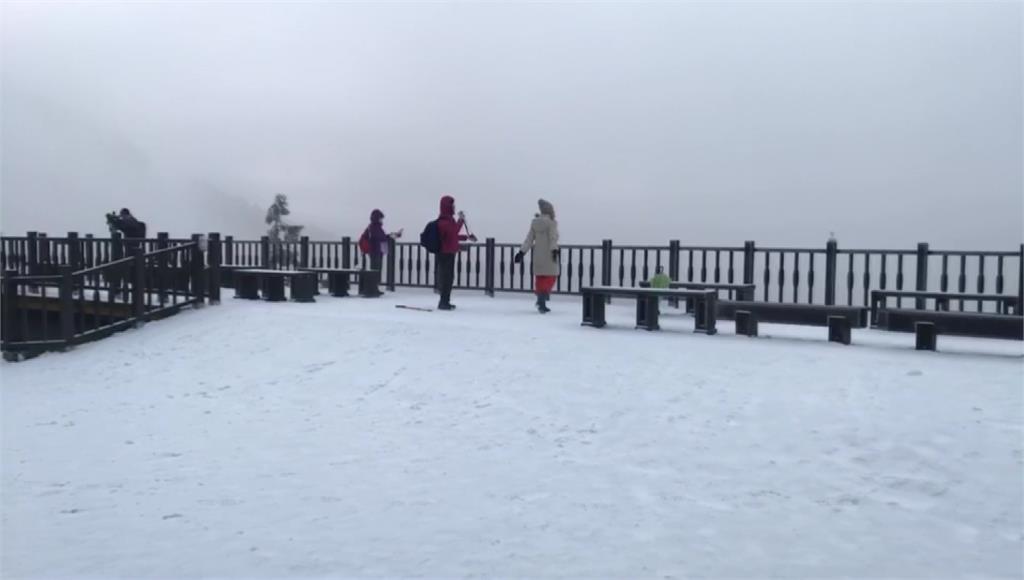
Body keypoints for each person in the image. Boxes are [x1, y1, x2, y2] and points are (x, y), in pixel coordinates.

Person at [515, 199, 560, 313]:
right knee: (551, 277)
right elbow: (552, 238)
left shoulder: (535, 223)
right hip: (549, 254)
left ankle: (541, 302)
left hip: (538, 255)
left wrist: (521, 252)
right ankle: (542, 300)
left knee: (540, 278)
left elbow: (529, 239)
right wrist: (554, 250)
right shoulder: (551, 223)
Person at [436, 195, 475, 310]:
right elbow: (452, 233)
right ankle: (443, 302)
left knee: (448, 277)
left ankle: (445, 301)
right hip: (445, 253)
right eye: (452, 205)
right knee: (446, 278)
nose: (454, 207)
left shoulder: (447, 220)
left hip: (449, 252)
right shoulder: (444, 221)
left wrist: (465, 237)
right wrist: (460, 221)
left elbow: (452, 235)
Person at [362, 209, 402, 293]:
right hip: (375, 251)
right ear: (377, 218)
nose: (382, 220)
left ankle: (374, 288)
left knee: (376, 269)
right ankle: (373, 288)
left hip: (377, 251)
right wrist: (391, 236)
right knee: (375, 270)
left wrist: (393, 235)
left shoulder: (376, 227)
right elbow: (380, 238)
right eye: (381, 218)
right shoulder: (374, 227)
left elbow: (382, 237)